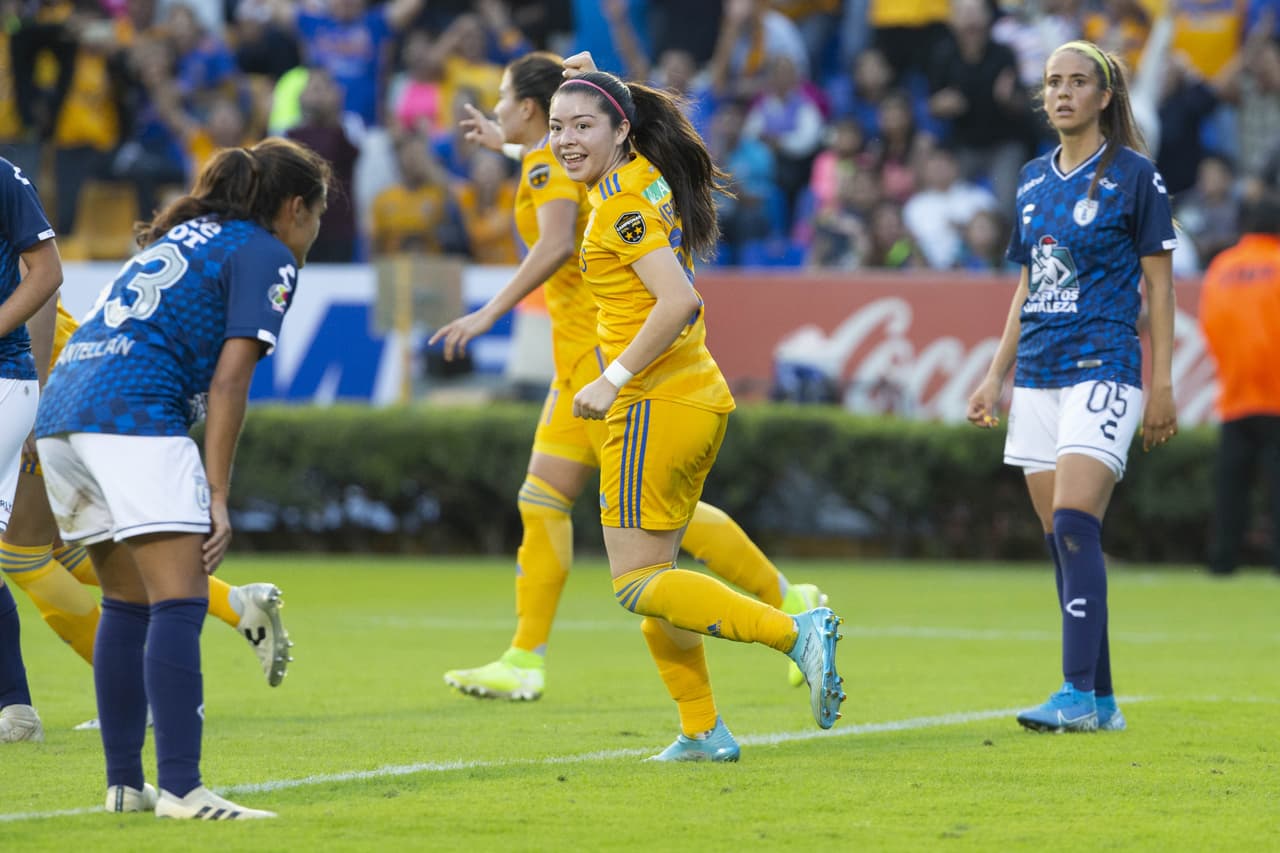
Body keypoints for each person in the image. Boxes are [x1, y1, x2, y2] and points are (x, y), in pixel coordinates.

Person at [430, 52, 828, 704]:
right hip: (587, 364)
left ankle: (786, 610)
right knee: (563, 506)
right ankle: (553, 665)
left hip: (606, 364)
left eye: (506, 101)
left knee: (643, 553)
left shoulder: (571, 177)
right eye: (559, 127)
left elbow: (562, 238)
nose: (560, 138)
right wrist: (507, 142)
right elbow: (567, 158)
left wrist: (490, 312)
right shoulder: (564, 160)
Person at [546, 55, 845, 760]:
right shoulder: (640, 171)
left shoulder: (619, 203)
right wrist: (599, 79)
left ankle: (794, 630)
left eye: (582, 125)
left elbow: (680, 300)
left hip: (653, 400)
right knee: (658, 576)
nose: (564, 140)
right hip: (691, 396)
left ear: (621, 131)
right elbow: (628, 117)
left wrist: (612, 377)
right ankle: (702, 729)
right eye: (558, 126)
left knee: (639, 583)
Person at [33, 137, 330, 817]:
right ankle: (182, 788)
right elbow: (230, 382)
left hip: (64, 411)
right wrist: (217, 494)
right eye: (315, 216)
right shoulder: (266, 252)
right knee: (178, 598)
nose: (314, 232)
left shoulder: (193, 233)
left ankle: (123, 784)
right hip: (132, 411)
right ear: (292, 210)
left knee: (126, 602)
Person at [967, 40, 1178, 733]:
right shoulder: (1030, 180)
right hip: (1039, 377)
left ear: (1103, 96)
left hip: (1106, 366)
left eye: (1077, 82)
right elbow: (1026, 286)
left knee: (1075, 522)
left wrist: (1164, 382)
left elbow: (1160, 286)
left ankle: (1074, 694)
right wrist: (996, 375)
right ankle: (1104, 700)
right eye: (1053, 82)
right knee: (1065, 540)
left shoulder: (1136, 177)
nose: (1061, 93)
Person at [1, 297, 295, 735]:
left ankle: (137, 688)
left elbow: (39, 293)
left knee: (20, 554)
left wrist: (38, 393)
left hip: (52, 392)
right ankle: (235, 605)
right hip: (72, 387)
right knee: (61, 551)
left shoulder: (17, 237)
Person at [0, 155, 62, 744]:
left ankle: (17, 707)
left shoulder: (3, 177)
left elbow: (46, 273)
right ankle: (16, 709)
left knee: (29, 553)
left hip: (2, 379)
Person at [1197, 191, 1280, 576]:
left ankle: (1223, 562)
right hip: (1276, 398)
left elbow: (1210, 326)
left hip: (1235, 394)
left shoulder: (1223, 267)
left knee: (1231, 489)